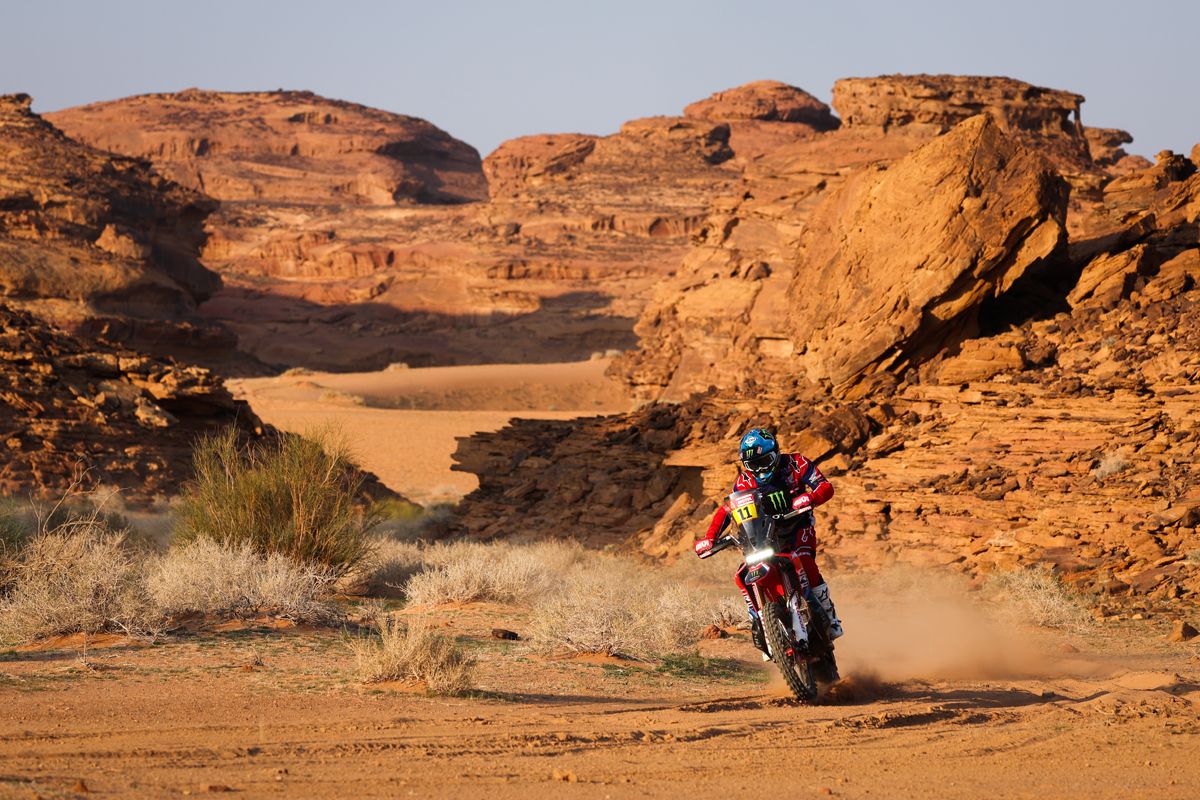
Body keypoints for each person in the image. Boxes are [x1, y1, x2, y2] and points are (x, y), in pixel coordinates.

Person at [693, 428, 843, 659]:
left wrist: (811, 498)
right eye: (753, 464)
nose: (760, 469)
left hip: (797, 525)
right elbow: (728, 510)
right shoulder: (744, 481)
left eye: (764, 461)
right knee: (747, 571)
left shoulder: (796, 463)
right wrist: (710, 538)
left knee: (804, 559)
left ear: (775, 454)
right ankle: (763, 625)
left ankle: (830, 618)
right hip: (763, 535)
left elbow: (825, 486)